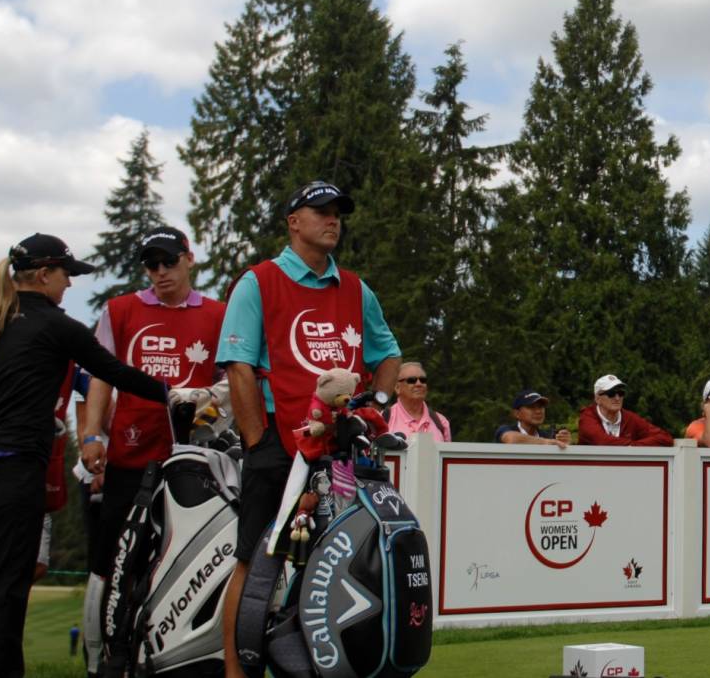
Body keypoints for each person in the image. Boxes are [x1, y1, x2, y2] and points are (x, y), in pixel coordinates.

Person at [0, 234, 177, 677]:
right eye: (65, 276)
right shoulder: (54, 325)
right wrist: (174, 394)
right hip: (15, 467)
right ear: (43, 275)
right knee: (9, 588)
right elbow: (112, 371)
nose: (69, 286)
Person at [216, 181, 403, 676]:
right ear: (293, 221)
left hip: (343, 451)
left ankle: (324, 665)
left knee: (336, 562)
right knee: (255, 564)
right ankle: (236, 670)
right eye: (320, 211)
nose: (333, 219)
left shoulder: (356, 288)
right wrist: (259, 440)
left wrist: (375, 404)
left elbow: (389, 354)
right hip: (281, 446)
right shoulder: (258, 281)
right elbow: (237, 366)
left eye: (338, 212)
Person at [75, 227, 227, 671]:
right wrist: (91, 436)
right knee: (113, 559)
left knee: (186, 556)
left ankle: (178, 652)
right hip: (130, 453)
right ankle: (103, 652)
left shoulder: (218, 315)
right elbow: (100, 375)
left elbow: (231, 380)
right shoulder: (121, 310)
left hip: (195, 458)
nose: (160, 272)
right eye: (151, 264)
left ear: (189, 259)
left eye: (169, 261)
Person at [576, 375, 674, 447]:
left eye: (621, 393)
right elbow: (602, 441)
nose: (617, 398)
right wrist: (631, 446)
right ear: (597, 399)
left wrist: (634, 446)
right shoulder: (587, 417)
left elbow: (665, 438)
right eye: (611, 394)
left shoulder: (630, 418)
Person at [386, 361, 451, 441]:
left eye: (423, 380)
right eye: (411, 380)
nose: (419, 384)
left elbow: (447, 453)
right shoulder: (384, 419)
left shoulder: (441, 422)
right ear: (397, 388)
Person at [494, 390, 569, 446]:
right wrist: (547, 442)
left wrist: (564, 443)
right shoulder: (504, 429)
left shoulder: (547, 436)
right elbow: (512, 439)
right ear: (517, 414)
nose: (538, 411)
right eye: (531, 407)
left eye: (541, 407)